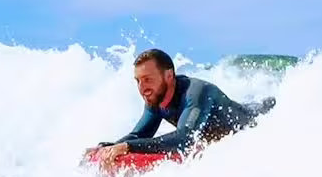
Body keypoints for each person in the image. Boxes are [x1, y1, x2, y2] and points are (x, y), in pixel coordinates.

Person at [90, 48, 276, 164]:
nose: (142, 87)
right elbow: (139, 135)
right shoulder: (155, 99)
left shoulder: (197, 92)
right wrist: (108, 147)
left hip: (259, 120)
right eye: (138, 81)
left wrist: (129, 147)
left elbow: (185, 138)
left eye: (147, 80)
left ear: (169, 75)